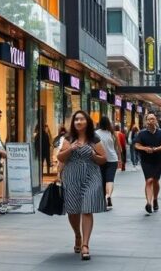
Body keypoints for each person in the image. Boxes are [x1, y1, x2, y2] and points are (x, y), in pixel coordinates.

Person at [58, 110, 107, 261]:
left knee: (87, 208)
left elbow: (103, 159)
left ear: (87, 122)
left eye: (81, 119)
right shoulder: (68, 138)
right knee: (73, 210)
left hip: (91, 175)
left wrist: (93, 154)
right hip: (72, 175)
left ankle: (85, 244)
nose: (79, 122)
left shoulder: (94, 138)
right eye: (76, 120)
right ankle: (77, 235)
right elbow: (59, 157)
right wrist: (70, 148)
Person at [133, 113, 161, 214]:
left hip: (158, 160)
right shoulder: (141, 133)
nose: (150, 121)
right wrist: (145, 148)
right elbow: (136, 145)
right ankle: (149, 203)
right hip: (146, 160)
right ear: (146, 121)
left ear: (156, 120)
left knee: (155, 180)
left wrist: (156, 149)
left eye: (152, 119)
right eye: (149, 119)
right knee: (149, 180)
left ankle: (155, 199)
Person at [96, 116, 120, 210]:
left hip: (100, 159)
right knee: (110, 180)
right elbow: (118, 148)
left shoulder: (95, 133)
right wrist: (120, 159)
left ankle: (103, 202)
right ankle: (108, 195)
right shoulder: (112, 133)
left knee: (102, 179)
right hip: (113, 159)